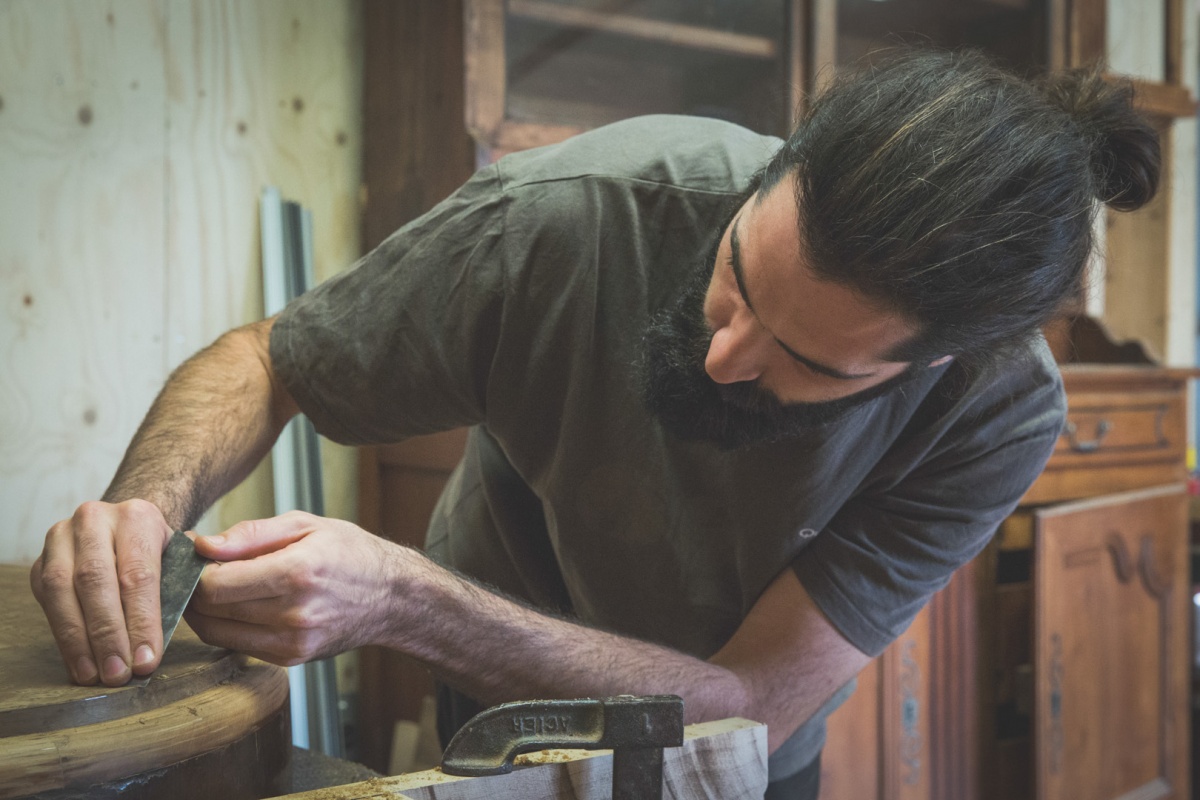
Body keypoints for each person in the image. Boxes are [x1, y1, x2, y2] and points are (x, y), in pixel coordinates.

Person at [31, 49, 1159, 798]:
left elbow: (751, 697)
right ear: (780, 168)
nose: (725, 352)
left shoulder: (993, 411)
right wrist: (147, 503)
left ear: (936, 362)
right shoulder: (571, 218)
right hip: (496, 704)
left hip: (742, 750)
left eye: (805, 359)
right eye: (739, 276)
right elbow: (268, 360)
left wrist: (404, 597)